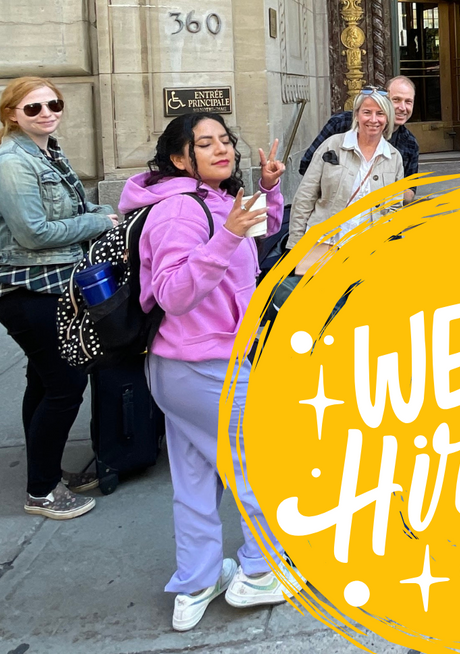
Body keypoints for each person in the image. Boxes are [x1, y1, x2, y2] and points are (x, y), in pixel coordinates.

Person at [118, 112, 302, 631]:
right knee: (257, 466)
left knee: (197, 478)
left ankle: (195, 582)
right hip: (204, 365)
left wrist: (270, 191)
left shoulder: (213, 198)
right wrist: (225, 237)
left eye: (225, 140)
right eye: (205, 143)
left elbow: (257, 239)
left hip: (189, 365)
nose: (222, 149)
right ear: (181, 158)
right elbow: (173, 293)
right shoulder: (179, 210)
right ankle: (261, 571)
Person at [0, 77, 118, 520]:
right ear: (12, 114)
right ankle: (42, 492)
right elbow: (33, 233)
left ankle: (44, 473)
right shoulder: (13, 162)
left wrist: (98, 214)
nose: (47, 113)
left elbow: (72, 208)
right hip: (29, 288)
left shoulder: (47, 150)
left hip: (52, 285)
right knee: (66, 386)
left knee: (43, 381)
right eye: (33, 108)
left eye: (54, 103)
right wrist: (99, 224)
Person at [290, 87, 404, 252]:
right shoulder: (333, 145)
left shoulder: (393, 157)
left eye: (380, 113)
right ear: (357, 115)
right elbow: (305, 196)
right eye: (367, 112)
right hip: (323, 243)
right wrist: (295, 244)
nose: (373, 119)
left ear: (387, 118)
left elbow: (394, 208)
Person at [298, 76, 419, 202]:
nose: (402, 107)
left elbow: (410, 192)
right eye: (396, 100)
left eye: (408, 101)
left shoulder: (410, 143)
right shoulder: (340, 124)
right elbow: (307, 166)